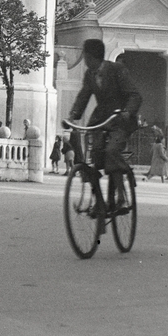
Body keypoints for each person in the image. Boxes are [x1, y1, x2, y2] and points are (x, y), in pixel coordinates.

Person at [67, 38, 141, 220]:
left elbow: (134, 95)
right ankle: (99, 202)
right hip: (100, 121)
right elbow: (83, 96)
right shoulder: (90, 75)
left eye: (85, 55)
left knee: (111, 151)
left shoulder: (117, 70)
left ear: (92, 56)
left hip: (120, 121)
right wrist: (72, 116)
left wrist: (127, 112)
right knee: (93, 160)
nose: (84, 59)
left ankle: (121, 197)